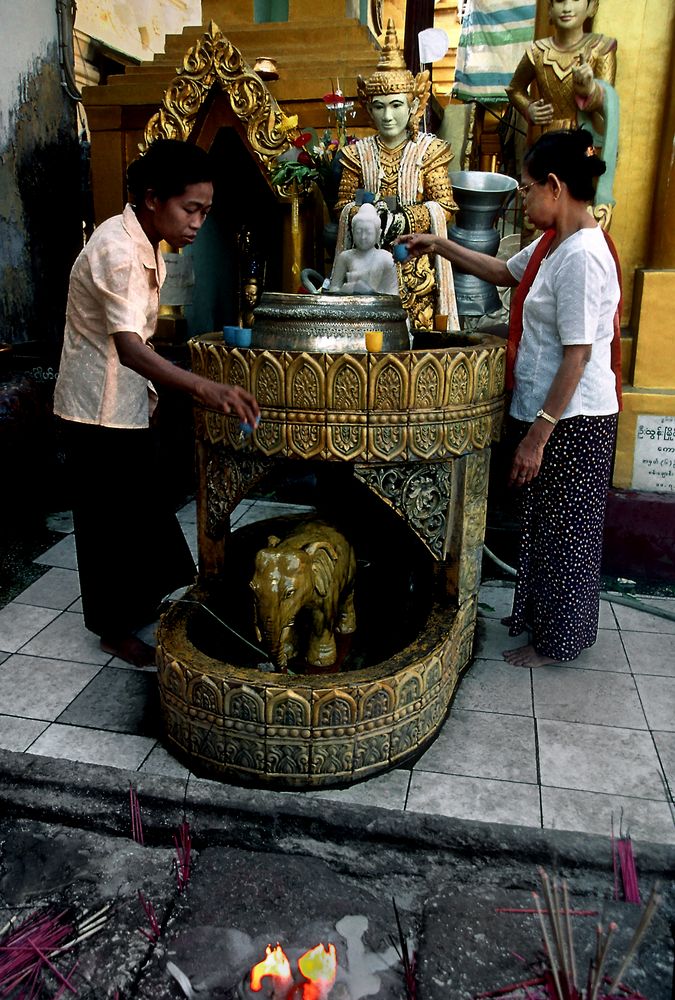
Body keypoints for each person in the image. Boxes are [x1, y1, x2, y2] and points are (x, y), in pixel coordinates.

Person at [398, 128, 622, 668]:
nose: (522, 200)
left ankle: (556, 644)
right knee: (544, 525)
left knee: (567, 532)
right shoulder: (554, 243)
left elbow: (578, 356)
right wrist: (440, 245)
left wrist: (538, 436)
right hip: (548, 413)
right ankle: (539, 621)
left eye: (525, 190)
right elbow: (502, 273)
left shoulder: (583, 256)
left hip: (574, 420)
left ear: (554, 186)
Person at [53, 139, 260, 666]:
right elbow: (128, 347)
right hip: (93, 407)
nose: (197, 223)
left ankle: (147, 601)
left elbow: (137, 342)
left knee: (138, 506)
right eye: (190, 209)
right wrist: (203, 388)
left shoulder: (146, 243)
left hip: (123, 401)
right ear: (152, 198)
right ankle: (112, 628)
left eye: (205, 212)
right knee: (106, 520)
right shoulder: (119, 252)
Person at [334, 18, 459, 331]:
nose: (387, 116)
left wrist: (405, 219)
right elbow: (341, 206)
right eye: (378, 106)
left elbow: (445, 208)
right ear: (368, 107)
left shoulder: (429, 152)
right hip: (366, 269)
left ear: (414, 105)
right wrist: (363, 213)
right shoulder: (357, 154)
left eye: (395, 105)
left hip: (415, 271)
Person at [506, 0, 619, 225]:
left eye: (575, 0)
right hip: (544, 141)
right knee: (536, 210)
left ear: (592, 7)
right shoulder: (537, 52)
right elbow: (515, 89)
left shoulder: (600, 49)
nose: (567, 7)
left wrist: (590, 90)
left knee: (581, 209)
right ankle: (536, 257)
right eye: (559, 1)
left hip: (583, 144)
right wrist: (528, 108)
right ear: (548, 9)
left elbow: (607, 104)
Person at [328, 203, 399, 296]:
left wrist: (369, 292)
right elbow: (333, 289)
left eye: (369, 232)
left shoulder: (387, 259)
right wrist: (344, 290)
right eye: (358, 232)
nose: (363, 237)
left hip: (378, 308)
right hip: (349, 307)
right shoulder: (345, 257)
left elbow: (393, 296)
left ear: (378, 234)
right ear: (352, 232)